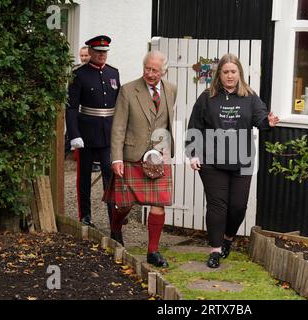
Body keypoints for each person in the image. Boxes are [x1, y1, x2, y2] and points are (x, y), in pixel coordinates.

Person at [185, 53, 280, 268]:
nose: (229, 76)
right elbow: (194, 126)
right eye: (225, 72)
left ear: (239, 73)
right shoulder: (207, 97)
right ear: (219, 74)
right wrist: (193, 154)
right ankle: (215, 250)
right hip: (212, 161)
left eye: (233, 72)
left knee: (238, 206)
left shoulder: (250, 97)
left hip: (242, 160)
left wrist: (269, 122)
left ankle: (228, 238)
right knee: (217, 205)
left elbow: (260, 119)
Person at [102, 50, 177, 268]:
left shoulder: (171, 89)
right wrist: (116, 159)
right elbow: (118, 127)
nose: (150, 73)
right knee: (124, 205)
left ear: (164, 71)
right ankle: (116, 228)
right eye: (147, 68)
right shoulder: (127, 90)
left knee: (159, 203)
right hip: (131, 156)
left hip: (157, 158)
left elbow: (164, 121)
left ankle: (153, 251)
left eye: (155, 70)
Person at [66, 35, 120, 227]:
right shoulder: (79, 75)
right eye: (98, 52)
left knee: (110, 177)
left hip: (108, 135)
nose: (102, 55)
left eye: (104, 52)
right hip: (86, 135)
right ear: (89, 52)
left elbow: (119, 106)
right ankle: (85, 216)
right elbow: (72, 107)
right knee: (84, 177)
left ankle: (114, 218)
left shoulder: (113, 73)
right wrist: (74, 134)